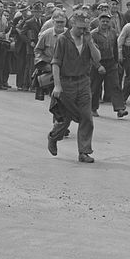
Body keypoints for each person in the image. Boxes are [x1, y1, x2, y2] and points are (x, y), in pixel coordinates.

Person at [47, 12, 101, 164]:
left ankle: (84, 152)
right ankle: (53, 137)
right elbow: (55, 63)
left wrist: (90, 42)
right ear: (72, 24)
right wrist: (57, 86)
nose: (83, 31)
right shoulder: (63, 40)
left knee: (87, 118)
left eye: (86, 28)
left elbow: (97, 59)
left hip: (83, 82)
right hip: (67, 84)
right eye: (80, 28)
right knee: (65, 121)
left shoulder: (87, 39)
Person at [90, 12, 127, 118]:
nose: (105, 23)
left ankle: (120, 109)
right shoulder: (93, 34)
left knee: (115, 85)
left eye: (107, 21)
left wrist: (117, 62)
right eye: (103, 21)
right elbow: (91, 53)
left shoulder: (113, 32)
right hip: (98, 63)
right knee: (95, 87)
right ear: (99, 21)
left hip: (111, 62)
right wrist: (98, 66)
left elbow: (115, 48)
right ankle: (93, 108)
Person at [33, 9, 68, 101]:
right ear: (53, 22)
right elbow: (37, 50)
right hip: (50, 70)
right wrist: (45, 64)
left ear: (66, 22)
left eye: (62, 22)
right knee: (55, 97)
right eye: (57, 22)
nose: (60, 24)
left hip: (66, 71)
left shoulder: (70, 35)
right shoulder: (46, 34)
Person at [13, 5, 41, 90]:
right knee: (27, 66)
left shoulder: (42, 20)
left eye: (39, 12)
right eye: (22, 11)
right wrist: (29, 41)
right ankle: (25, 84)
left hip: (38, 45)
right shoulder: (26, 20)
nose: (24, 12)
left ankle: (33, 84)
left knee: (35, 65)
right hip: (27, 46)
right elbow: (19, 31)